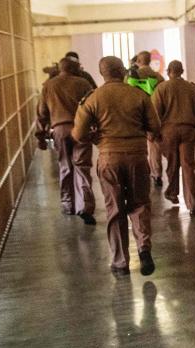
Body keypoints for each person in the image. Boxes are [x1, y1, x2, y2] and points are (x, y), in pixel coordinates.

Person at [72, 56, 161, 276]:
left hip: (109, 157)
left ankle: (121, 262)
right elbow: (155, 127)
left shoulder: (93, 99)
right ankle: (144, 248)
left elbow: (78, 134)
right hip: (138, 157)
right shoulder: (139, 95)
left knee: (115, 208)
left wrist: (97, 138)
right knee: (140, 204)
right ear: (122, 71)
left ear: (102, 74)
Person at [36, 57, 96, 224]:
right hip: (81, 128)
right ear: (75, 68)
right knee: (82, 167)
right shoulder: (83, 83)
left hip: (60, 129)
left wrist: (40, 135)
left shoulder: (49, 85)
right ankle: (84, 206)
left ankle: (68, 204)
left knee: (65, 167)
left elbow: (42, 112)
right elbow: (92, 108)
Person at [151, 60, 195, 217]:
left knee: (172, 164)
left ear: (169, 71)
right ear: (182, 71)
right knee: (188, 166)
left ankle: (172, 192)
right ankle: (193, 204)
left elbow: (155, 114)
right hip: (188, 130)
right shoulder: (192, 88)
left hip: (168, 131)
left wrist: (153, 134)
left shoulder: (161, 89)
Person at [135, 50, 167, 188]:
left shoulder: (132, 77)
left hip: (136, 117)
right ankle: (157, 174)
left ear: (138, 61)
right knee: (154, 147)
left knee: (138, 148)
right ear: (149, 61)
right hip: (154, 115)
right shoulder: (158, 77)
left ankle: (141, 175)